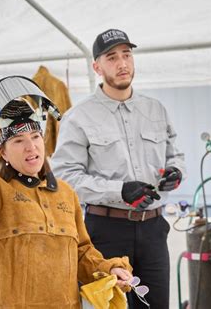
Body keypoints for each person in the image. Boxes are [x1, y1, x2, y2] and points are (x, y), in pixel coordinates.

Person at [0, 76, 132, 308]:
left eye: (35, 137)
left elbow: (81, 252)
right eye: (18, 141)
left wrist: (110, 268)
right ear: (3, 152)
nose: (31, 147)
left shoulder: (66, 193)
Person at [51, 28, 186, 309]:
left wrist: (176, 170)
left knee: (157, 305)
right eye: (112, 57)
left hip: (153, 229)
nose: (122, 63)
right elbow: (65, 177)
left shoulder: (156, 109)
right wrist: (119, 191)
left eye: (127, 55)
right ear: (97, 67)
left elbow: (175, 152)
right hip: (105, 232)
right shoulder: (78, 117)